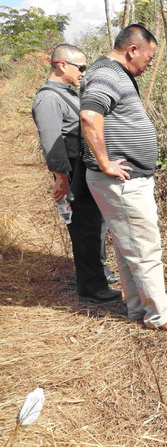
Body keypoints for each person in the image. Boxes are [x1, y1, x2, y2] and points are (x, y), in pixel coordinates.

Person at [80, 24, 167, 332]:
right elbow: (90, 116)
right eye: (149, 56)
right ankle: (160, 315)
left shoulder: (114, 74)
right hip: (121, 182)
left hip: (126, 180)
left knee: (128, 245)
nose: (150, 62)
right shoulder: (107, 74)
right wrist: (104, 163)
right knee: (144, 247)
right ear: (132, 50)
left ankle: (137, 308)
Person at [31, 44, 122, 303]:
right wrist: (61, 178)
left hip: (83, 171)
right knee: (84, 228)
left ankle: (99, 273)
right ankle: (92, 288)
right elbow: (52, 142)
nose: (84, 72)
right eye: (81, 67)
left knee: (95, 222)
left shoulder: (69, 93)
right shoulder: (48, 98)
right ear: (61, 65)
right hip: (72, 173)